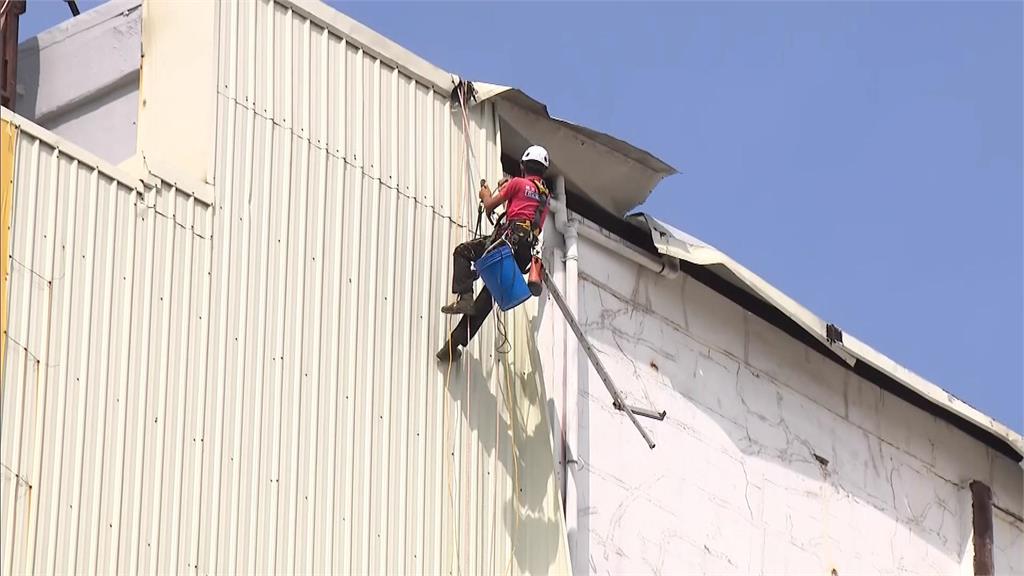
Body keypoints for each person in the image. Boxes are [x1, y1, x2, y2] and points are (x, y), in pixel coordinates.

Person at [436, 145, 551, 362]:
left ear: (523, 165)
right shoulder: (545, 199)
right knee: (487, 300)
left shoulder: (518, 183)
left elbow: (489, 206)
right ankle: (453, 345)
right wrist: (509, 192)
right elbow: (527, 212)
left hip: (506, 242)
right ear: (543, 171)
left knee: (463, 252)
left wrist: (485, 195)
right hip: (522, 255)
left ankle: (465, 296)